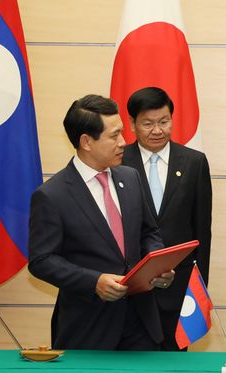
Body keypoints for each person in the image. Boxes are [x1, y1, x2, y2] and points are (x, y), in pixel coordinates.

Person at [28, 94, 175, 350]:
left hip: (141, 323)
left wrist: (156, 262)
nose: (123, 142)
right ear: (86, 141)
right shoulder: (52, 195)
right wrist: (93, 281)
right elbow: (41, 260)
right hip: (88, 327)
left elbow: (148, 231)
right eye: (114, 135)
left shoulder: (130, 177)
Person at [122, 87, 212, 351]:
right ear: (132, 124)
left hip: (180, 288)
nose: (157, 130)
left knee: (175, 364)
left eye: (164, 121)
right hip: (132, 288)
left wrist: (199, 287)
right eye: (148, 124)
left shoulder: (194, 162)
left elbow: (201, 232)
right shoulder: (118, 163)